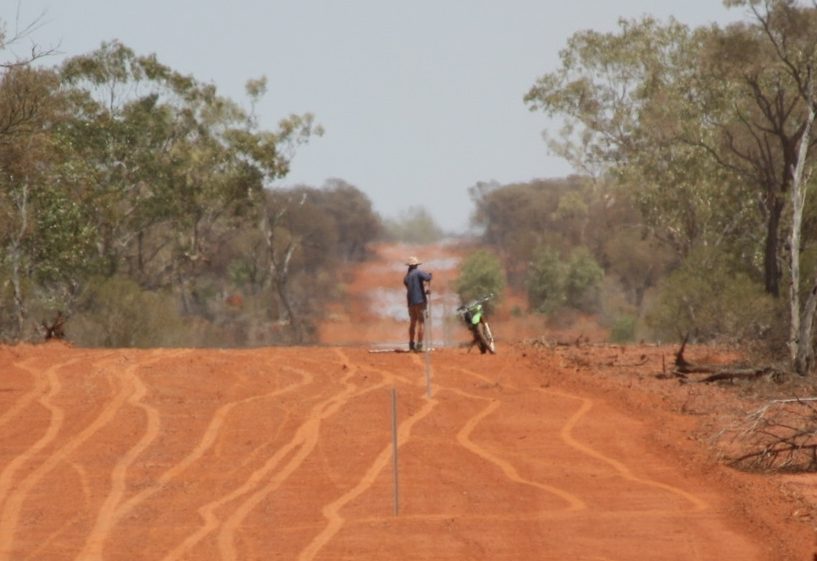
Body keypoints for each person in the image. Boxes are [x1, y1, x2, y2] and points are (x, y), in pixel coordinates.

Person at [403, 256, 432, 352]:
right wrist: (429, 278)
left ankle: (411, 344)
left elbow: (410, 287)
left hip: (411, 302)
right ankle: (419, 345)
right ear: (416, 265)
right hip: (420, 301)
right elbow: (428, 277)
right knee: (421, 322)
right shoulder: (418, 272)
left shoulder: (407, 277)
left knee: (412, 322)